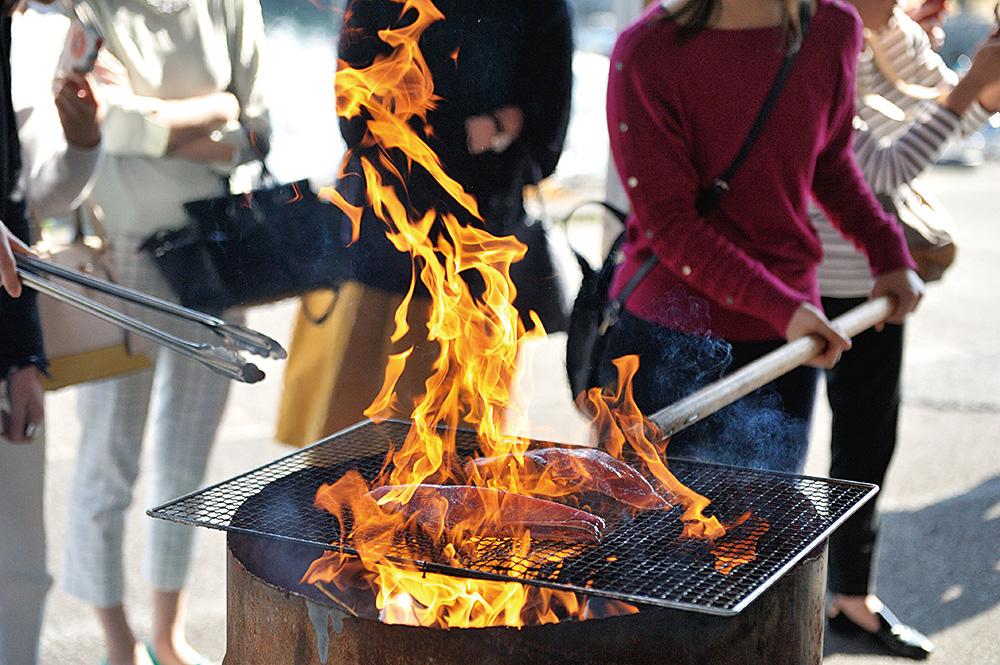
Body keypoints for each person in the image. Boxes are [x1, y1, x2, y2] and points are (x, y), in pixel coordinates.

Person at [598, 0, 924, 474]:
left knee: (762, 535)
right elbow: (670, 224)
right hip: (671, 337)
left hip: (787, 339)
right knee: (650, 538)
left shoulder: (833, 28)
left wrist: (888, 253)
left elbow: (828, 160)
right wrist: (783, 308)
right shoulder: (647, 51)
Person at [57, 0, 269, 663]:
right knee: (108, 461)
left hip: (216, 248)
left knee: (185, 464)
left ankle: (169, 639)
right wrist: (212, 112)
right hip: (122, 253)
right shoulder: (85, 8)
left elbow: (258, 128)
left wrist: (152, 123)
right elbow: (103, 126)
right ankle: (118, 647)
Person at [275, 0, 573, 445]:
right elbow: (356, 120)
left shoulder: (540, 9)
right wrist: (485, 128)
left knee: (459, 476)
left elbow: (546, 140)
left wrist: (437, 127)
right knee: (342, 463)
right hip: (378, 246)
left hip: (475, 259)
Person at [813, 0, 1000, 657]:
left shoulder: (891, 31)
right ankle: (755, 599)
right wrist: (970, 91)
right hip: (800, 272)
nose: (904, 1)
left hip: (874, 273)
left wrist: (981, 89)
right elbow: (878, 167)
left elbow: (947, 116)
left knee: (867, 439)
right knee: (768, 448)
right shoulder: (815, 35)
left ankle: (849, 596)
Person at [1, 2, 102, 662]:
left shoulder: (33, 32)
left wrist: (85, 141)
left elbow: (29, 197)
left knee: (20, 566)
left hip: (8, 333)